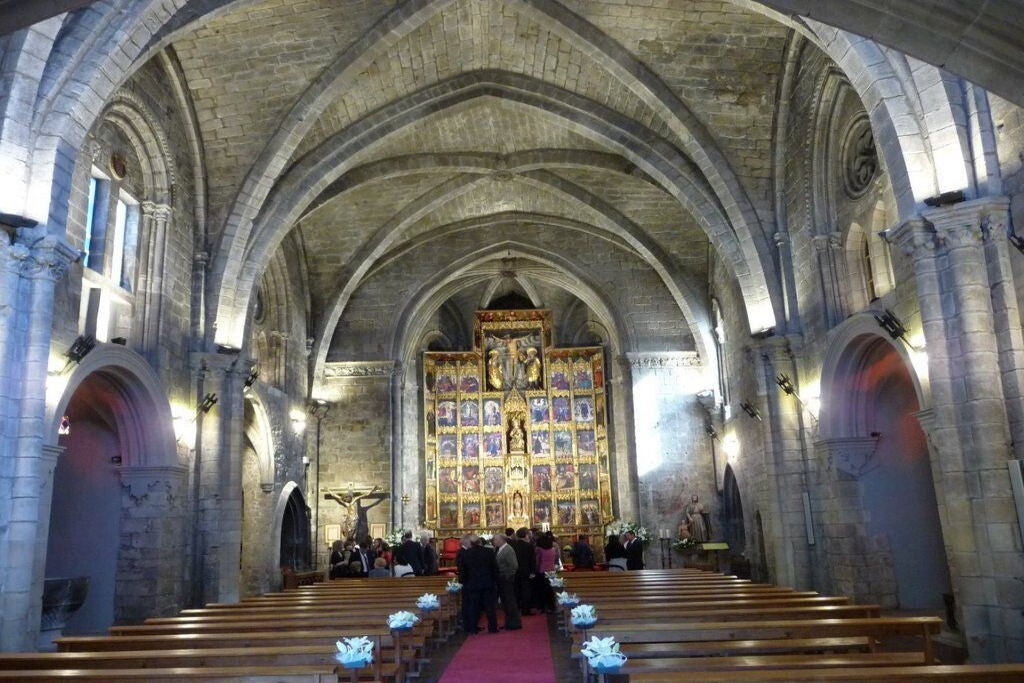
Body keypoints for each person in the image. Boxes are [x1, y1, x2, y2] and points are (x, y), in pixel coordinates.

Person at [457, 535, 500, 634]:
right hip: (487, 583)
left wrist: (463, 582)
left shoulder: (466, 553)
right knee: (490, 606)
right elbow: (494, 568)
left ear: (471, 543)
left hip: (472, 584)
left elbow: (463, 571)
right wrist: (495, 581)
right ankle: (493, 628)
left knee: (474, 606)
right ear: (479, 541)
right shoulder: (488, 552)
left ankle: (473, 628)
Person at [492, 533, 522, 630]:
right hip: (502, 579)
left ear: (501, 540)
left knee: (509, 601)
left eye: (495, 540)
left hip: (506, 579)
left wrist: (507, 576)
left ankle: (514, 623)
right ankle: (509, 622)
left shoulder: (508, 550)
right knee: (505, 602)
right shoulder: (500, 549)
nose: (494, 541)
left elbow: (514, 566)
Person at [511, 527, 535, 615]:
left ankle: (516, 609)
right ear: (525, 535)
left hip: (515, 571)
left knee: (516, 590)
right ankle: (526, 610)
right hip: (526, 571)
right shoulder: (529, 545)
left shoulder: (512, 546)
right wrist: (533, 571)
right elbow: (532, 560)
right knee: (526, 591)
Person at [533, 533, 559, 613]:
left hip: (542, 570)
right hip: (552, 571)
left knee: (542, 590)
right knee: (550, 590)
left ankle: (543, 607)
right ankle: (552, 606)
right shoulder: (553, 549)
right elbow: (556, 559)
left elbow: (537, 561)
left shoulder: (539, 549)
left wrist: (535, 569)